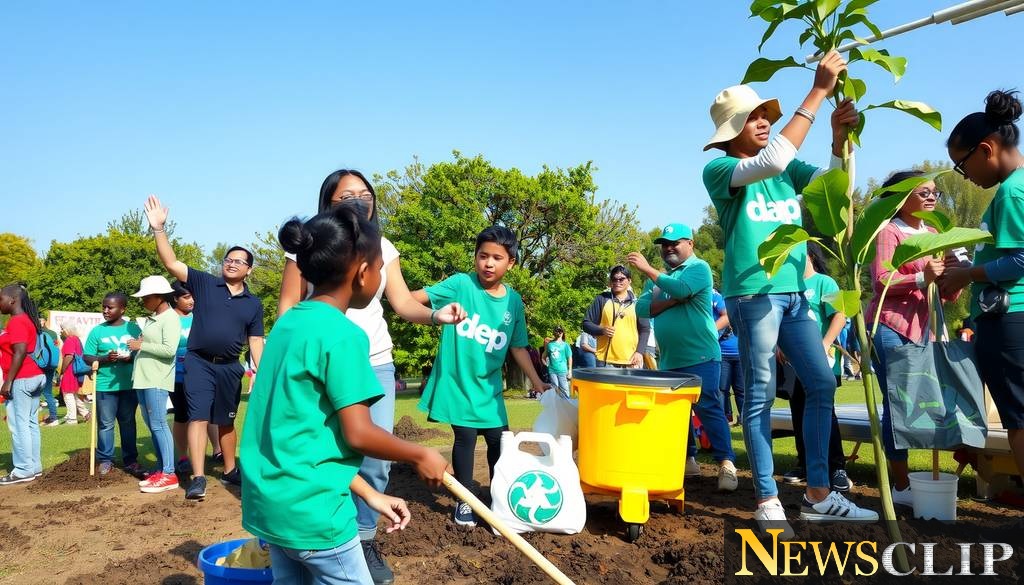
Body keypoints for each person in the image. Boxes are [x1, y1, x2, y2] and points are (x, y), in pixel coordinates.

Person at [701, 51, 877, 535]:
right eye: (751, 118)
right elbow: (773, 156)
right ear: (729, 131)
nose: (761, 122)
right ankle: (767, 498)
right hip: (754, 293)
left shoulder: (785, 168)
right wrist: (819, 90)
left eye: (763, 115)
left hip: (797, 292)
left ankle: (819, 493)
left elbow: (834, 190)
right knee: (758, 395)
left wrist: (840, 142)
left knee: (821, 384)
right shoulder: (721, 173)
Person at [242, 204, 450, 585]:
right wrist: (420, 453)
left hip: (272, 508)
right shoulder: (343, 335)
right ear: (363, 272)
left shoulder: (287, 327)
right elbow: (357, 433)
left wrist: (370, 494)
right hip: (316, 513)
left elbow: (304, 438)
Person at [414, 226, 551, 528]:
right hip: (458, 383)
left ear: (511, 263)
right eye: (483, 256)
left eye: (497, 258)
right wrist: (388, 294)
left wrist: (538, 380)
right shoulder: (460, 284)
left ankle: (499, 499)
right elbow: (414, 298)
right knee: (464, 437)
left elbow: (517, 347)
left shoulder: (513, 301)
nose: (489, 263)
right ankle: (466, 501)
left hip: (489, 389)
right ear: (475, 257)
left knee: (498, 440)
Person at [145, 195, 264, 501]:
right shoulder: (203, 282)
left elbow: (255, 341)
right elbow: (170, 262)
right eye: (228, 258)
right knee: (198, 417)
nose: (231, 263)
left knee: (225, 421)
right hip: (198, 362)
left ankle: (229, 469)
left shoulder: (253, 304)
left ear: (249, 270)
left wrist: (260, 371)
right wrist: (159, 229)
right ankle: (197, 478)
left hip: (229, 367)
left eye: (239, 261)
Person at [939, 89, 1024, 503]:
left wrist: (966, 275)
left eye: (962, 163)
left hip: (1011, 322)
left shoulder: (1010, 192)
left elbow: (1021, 258)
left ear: (986, 149)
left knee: (1019, 419)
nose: (965, 174)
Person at [631, 223, 738, 492]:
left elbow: (680, 289)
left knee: (709, 407)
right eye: (664, 244)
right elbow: (643, 308)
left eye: (674, 242)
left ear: (690, 243)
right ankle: (688, 460)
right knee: (676, 414)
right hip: (669, 358)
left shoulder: (698, 268)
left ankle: (727, 463)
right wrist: (672, 298)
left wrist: (649, 271)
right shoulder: (657, 279)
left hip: (701, 354)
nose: (668, 247)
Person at [782, 243, 851, 493]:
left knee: (825, 414)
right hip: (793, 363)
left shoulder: (825, 282)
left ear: (809, 256)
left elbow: (839, 315)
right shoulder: (788, 286)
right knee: (799, 412)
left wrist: (824, 344)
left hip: (821, 361)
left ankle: (837, 467)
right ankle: (805, 464)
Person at [129, 276, 183, 494]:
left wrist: (142, 345)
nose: (143, 301)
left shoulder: (170, 318)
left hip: (156, 379)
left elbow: (170, 350)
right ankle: (162, 470)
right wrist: (141, 345)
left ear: (159, 297)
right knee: (153, 425)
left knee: (159, 424)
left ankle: (169, 473)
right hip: (143, 378)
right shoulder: (154, 318)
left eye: (146, 297)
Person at [83, 292, 143, 476]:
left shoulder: (133, 328)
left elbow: (142, 351)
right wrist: (104, 358)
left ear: (122, 309)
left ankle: (131, 460)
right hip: (104, 386)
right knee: (105, 424)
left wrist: (130, 357)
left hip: (128, 385)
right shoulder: (97, 331)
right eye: (104, 307)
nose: (106, 310)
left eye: (110, 307)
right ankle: (105, 460)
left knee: (128, 423)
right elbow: (87, 356)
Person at [0, 284, 47, 485]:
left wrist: (7, 382)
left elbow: (19, 351)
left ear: (13, 300)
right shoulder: (27, 319)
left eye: (0, 298)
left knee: (19, 426)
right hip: (35, 377)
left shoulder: (17, 321)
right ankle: (34, 467)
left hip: (22, 378)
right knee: (29, 424)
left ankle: (23, 470)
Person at [582, 265, 651, 368]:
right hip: (605, 361)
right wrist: (602, 330)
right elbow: (586, 324)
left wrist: (639, 352)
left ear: (629, 281)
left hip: (631, 361)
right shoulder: (601, 299)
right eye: (614, 279)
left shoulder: (637, 303)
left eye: (621, 279)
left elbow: (645, 329)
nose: (617, 282)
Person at [712, 287, 743, 425]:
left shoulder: (740, 303)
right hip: (722, 353)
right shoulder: (720, 300)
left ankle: (745, 418)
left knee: (741, 389)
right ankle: (725, 418)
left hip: (740, 353)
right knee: (722, 389)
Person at [58, 322, 90, 424]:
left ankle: (72, 418)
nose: (61, 331)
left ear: (67, 330)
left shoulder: (70, 340)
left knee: (68, 394)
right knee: (75, 394)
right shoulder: (76, 339)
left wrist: (62, 370)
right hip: (76, 372)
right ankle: (86, 414)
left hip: (69, 371)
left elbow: (69, 356)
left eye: (62, 329)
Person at [37, 317, 61, 426]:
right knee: (47, 392)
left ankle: (53, 417)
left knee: (42, 392)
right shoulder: (50, 334)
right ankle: (52, 416)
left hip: (42, 365)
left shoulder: (39, 334)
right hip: (51, 364)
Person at [542, 326, 572, 398]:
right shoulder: (550, 345)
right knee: (554, 389)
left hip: (562, 370)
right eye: (557, 330)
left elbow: (569, 358)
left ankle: (566, 405)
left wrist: (570, 371)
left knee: (564, 389)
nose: (558, 332)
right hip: (552, 371)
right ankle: (556, 405)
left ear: (563, 332)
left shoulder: (565, 345)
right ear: (554, 332)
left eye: (560, 331)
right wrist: (546, 365)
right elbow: (543, 356)